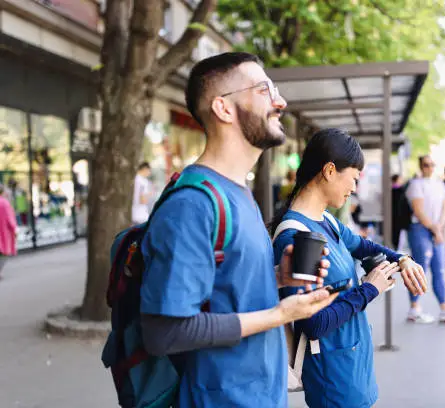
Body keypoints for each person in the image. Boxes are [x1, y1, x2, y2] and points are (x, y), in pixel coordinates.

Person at [139, 52, 337, 408]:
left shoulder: (239, 192)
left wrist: (279, 277)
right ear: (224, 109)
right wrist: (281, 315)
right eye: (264, 90)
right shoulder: (193, 204)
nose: (280, 102)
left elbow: (225, 289)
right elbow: (164, 332)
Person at [270, 128, 428, 408]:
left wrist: (402, 259)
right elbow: (314, 323)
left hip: (352, 368)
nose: (354, 188)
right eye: (353, 178)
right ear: (330, 171)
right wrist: (369, 289)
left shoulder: (326, 222)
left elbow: (364, 247)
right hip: (334, 380)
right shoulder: (299, 236)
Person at [406, 155, 445, 325]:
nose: (430, 168)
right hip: (420, 228)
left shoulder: (439, 184)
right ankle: (414, 308)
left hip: (436, 229)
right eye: (426, 165)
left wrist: (439, 227)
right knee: (420, 269)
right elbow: (418, 210)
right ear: (421, 166)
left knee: (439, 269)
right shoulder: (415, 185)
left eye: (432, 164)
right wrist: (435, 229)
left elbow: (444, 207)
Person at [0, 184, 16, 279]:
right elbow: (9, 218)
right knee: (3, 253)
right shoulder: (4, 203)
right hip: (3, 231)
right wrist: (14, 229)